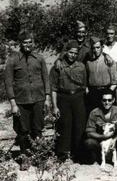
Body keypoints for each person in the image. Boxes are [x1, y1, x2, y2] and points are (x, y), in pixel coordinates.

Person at [4, 30, 51, 170]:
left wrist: (47, 98)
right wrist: (13, 103)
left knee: (38, 130)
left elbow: (46, 79)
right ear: (20, 44)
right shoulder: (12, 60)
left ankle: (41, 158)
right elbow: (8, 82)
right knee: (23, 131)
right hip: (21, 101)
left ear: (33, 43)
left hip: (38, 99)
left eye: (30, 42)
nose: (28, 45)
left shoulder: (40, 58)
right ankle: (25, 158)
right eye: (25, 42)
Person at [50, 40, 87, 162]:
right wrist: (54, 106)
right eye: (71, 52)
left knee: (79, 125)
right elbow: (54, 88)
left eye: (75, 53)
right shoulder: (58, 67)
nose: (73, 55)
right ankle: (62, 153)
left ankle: (78, 153)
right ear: (66, 52)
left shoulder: (81, 66)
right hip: (63, 97)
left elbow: (85, 84)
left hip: (78, 97)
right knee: (64, 125)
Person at [83, 89, 117, 165]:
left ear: (113, 100)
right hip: (100, 141)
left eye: (109, 100)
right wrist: (103, 136)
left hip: (113, 141)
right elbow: (89, 132)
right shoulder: (94, 113)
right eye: (104, 100)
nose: (107, 102)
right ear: (101, 101)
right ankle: (98, 157)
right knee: (89, 142)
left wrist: (115, 139)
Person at [86, 36, 117, 113]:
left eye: (98, 47)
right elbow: (86, 78)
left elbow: (115, 80)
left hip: (106, 92)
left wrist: (109, 92)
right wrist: (88, 91)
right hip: (93, 93)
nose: (96, 50)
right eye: (93, 48)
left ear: (102, 47)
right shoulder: (88, 61)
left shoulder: (108, 60)